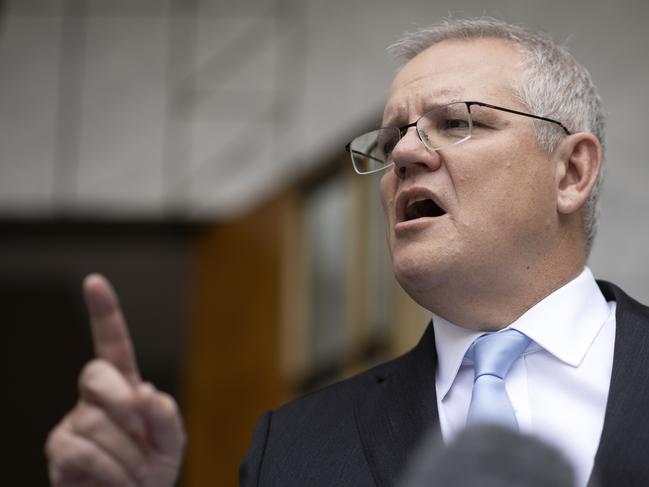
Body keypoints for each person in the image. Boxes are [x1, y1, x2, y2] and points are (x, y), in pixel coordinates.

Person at [45, 16, 649, 487]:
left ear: (572, 171)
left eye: (457, 123)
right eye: (391, 141)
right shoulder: (295, 446)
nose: (407, 155)